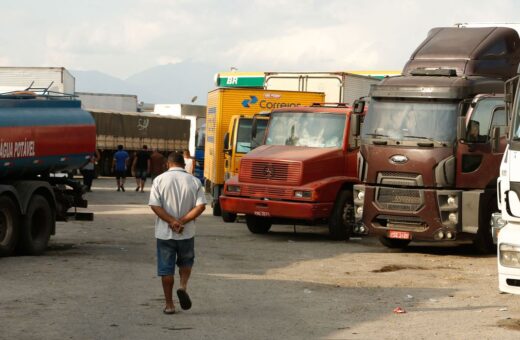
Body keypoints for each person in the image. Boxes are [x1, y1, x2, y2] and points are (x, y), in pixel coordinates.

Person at [149, 151, 207, 315]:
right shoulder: (194, 181)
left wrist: (171, 222)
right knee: (186, 263)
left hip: (165, 234)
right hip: (186, 233)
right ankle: (182, 287)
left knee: (166, 270)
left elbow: (155, 205)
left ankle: (169, 305)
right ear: (183, 164)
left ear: (168, 164)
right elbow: (201, 206)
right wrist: (181, 222)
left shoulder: (159, 180)